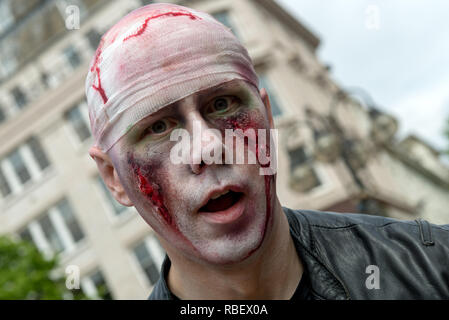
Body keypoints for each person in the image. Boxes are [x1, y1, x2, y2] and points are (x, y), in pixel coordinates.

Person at [86, 3, 449, 300]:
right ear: (114, 178)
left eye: (223, 103)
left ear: (268, 116)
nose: (208, 147)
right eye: (158, 127)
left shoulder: (429, 265)